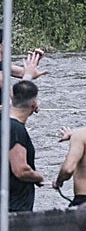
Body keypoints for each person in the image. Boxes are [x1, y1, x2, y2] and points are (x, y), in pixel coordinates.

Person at [7, 80, 43, 211]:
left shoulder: (5, 122)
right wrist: (38, 177)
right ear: (34, 103)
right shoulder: (15, 129)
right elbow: (21, 170)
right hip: (15, 207)